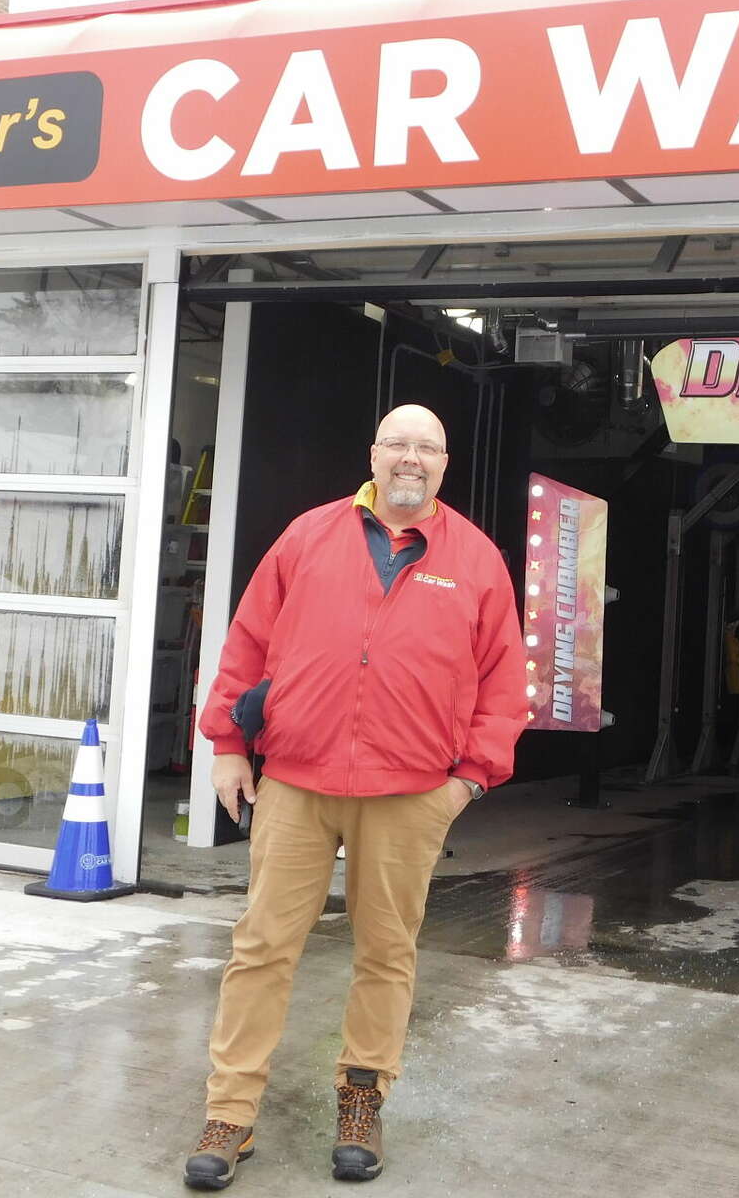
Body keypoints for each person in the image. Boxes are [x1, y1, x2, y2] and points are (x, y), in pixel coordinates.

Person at [183, 404, 524, 1190]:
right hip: (298, 781)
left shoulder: (474, 560)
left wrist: (468, 779)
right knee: (261, 947)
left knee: (386, 953)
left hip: (409, 794)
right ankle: (230, 1113)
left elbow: (507, 683)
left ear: (445, 464)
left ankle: (362, 1103)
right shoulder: (307, 536)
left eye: (427, 448)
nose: (412, 458)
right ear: (373, 454)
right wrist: (229, 742)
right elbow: (247, 641)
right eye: (398, 444)